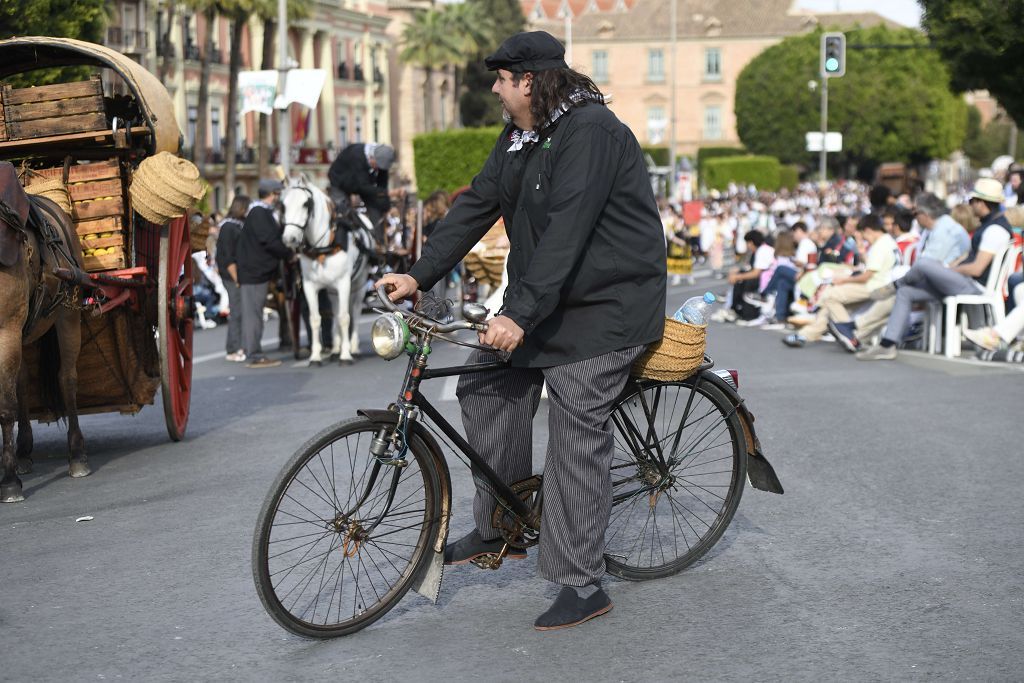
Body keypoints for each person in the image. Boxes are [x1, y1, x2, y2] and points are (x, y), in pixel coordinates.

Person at [375, 30, 666, 631]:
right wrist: (419, 274)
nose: (495, 88)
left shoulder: (592, 132)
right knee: (484, 384)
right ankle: (500, 527)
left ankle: (583, 583)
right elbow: (477, 204)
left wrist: (518, 313)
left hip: (610, 305)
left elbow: (568, 230)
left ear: (528, 80)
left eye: (501, 79)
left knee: (574, 417)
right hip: (551, 301)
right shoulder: (519, 136)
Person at [858, 178, 1013, 361]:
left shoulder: (995, 230)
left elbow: (977, 269)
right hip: (963, 283)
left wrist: (948, 271)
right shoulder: (987, 226)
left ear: (982, 202)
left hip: (975, 286)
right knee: (906, 292)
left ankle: (895, 285)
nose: (970, 206)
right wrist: (948, 270)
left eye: (972, 201)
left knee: (924, 264)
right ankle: (887, 345)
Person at [783, 214, 897, 349]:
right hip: (879, 285)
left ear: (868, 230)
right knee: (829, 307)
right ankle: (805, 335)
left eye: (863, 235)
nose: (864, 238)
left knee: (829, 295)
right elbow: (872, 269)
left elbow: (866, 276)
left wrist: (843, 280)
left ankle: (850, 336)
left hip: (874, 287)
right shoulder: (888, 242)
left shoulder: (880, 245)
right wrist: (861, 253)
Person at [236, 179, 290, 368]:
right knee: (253, 315)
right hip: (254, 272)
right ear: (272, 194)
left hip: (256, 271)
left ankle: (252, 351)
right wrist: (289, 253)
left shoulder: (260, 212)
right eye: (277, 194)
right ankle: (254, 354)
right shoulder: (259, 212)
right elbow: (269, 241)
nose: (278, 198)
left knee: (254, 314)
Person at [216, 195, 250, 362]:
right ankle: (233, 348)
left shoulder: (237, 225)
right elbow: (228, 256)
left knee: (241, 311)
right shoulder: (229, 227)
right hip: (232, 275)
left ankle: (241, 345)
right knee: (237, 311)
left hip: (236, 273)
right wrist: (236, 278)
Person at [327, 141, 394, 226]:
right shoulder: (356, 155)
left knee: (376, 207)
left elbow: (382, 185)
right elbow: (362, 187)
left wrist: (385, 206)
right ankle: (341, 237)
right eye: (377, 165)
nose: (378, 169)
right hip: (339, 183)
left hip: (361, 184)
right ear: (372, 157)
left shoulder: (381, 161)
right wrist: (386, 192)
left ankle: (377, 236)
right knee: (343, 213)